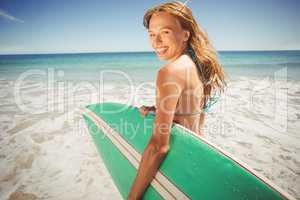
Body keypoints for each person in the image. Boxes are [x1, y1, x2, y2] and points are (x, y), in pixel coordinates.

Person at [128, 1, 226, 199]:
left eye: (165, 32)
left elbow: (159, 146)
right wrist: (161, 110)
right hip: (196, 160)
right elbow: (193, 113)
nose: (156, 42)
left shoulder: (169, 73)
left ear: (185, 34)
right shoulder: (196, 64)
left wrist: (132, 198)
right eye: (151, 34)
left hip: (178, 164)